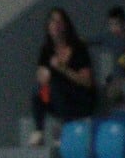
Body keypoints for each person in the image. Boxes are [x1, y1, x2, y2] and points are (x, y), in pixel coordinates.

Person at [31, 7, 96, 146]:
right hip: (57, 101)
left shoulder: (78, 48)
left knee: (55, 86)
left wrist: (63, 68)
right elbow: (41, 75)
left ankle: (66, 130)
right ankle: (39, 131)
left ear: (66, 26)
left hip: (78, 100)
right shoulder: (46, 50)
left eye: (59, 21)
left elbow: (86, 82)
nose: (55, 25)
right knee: (39, 91)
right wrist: (43, 76)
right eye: (52, 21)